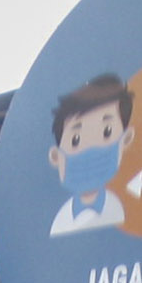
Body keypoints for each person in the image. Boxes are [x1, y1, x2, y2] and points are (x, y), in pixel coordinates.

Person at [47, 75, 131, 234]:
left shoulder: (120, 211)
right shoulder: (60, 222)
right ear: (55, 156)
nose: (91, 149)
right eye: (75, 140)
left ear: (125, 139)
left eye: (107, 132)